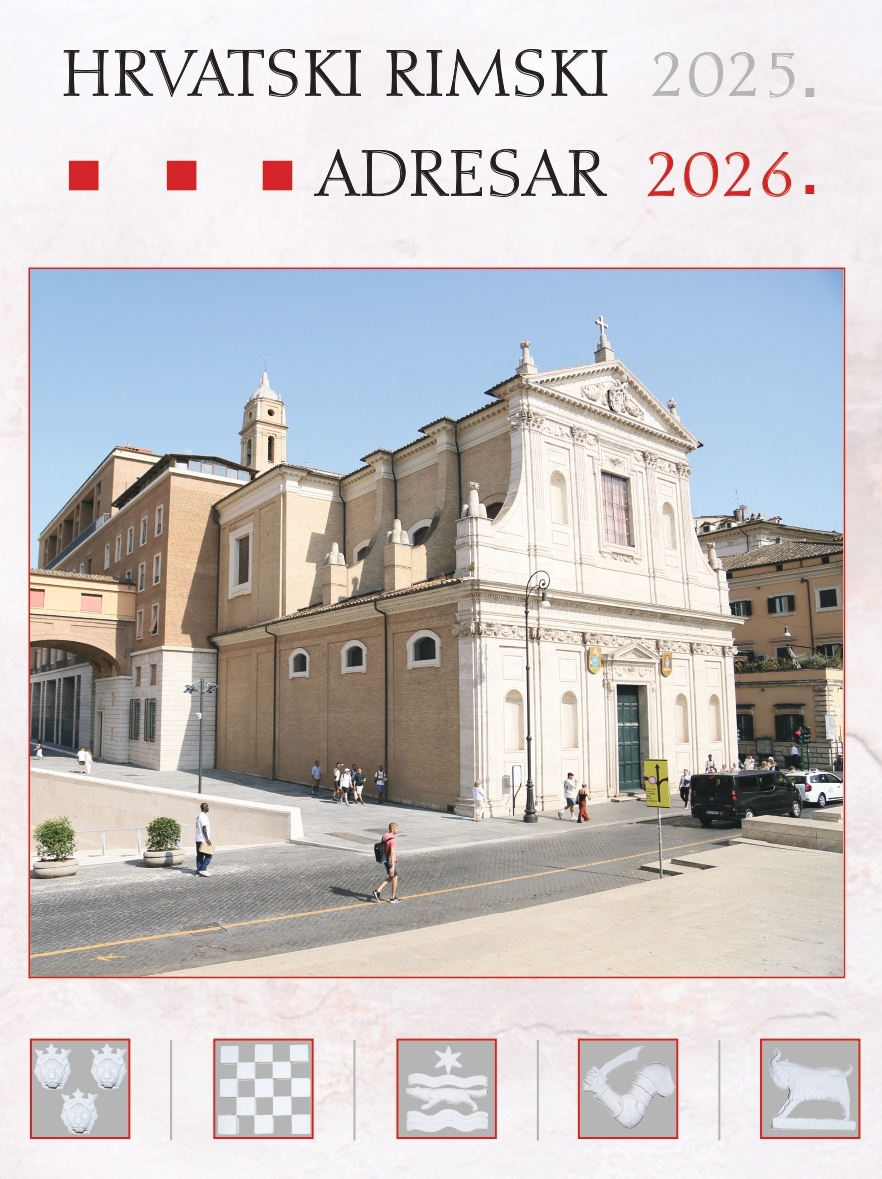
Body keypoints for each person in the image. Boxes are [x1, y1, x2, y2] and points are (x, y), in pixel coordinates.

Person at [372, 822, 401, 903]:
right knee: (395, 877)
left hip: (385, 860)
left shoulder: (385, 836)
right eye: (396, 828)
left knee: (391, 877)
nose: (397, 830)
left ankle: (378, 891)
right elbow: (392, 853)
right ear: (392, 829)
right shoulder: (393, 840)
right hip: (391, 860)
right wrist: (393, 865)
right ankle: (392, 898)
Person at [195, 801, 213, 877]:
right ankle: (203, 869)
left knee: (200, 856)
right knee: (209, 855)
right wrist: (207, 839)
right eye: (207, 806)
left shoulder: (198, 815)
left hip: (198, 839)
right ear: (205, 808)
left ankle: (198, 871)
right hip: (203, 840)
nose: (208, 808)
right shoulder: (203, 816)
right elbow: (204, 828)